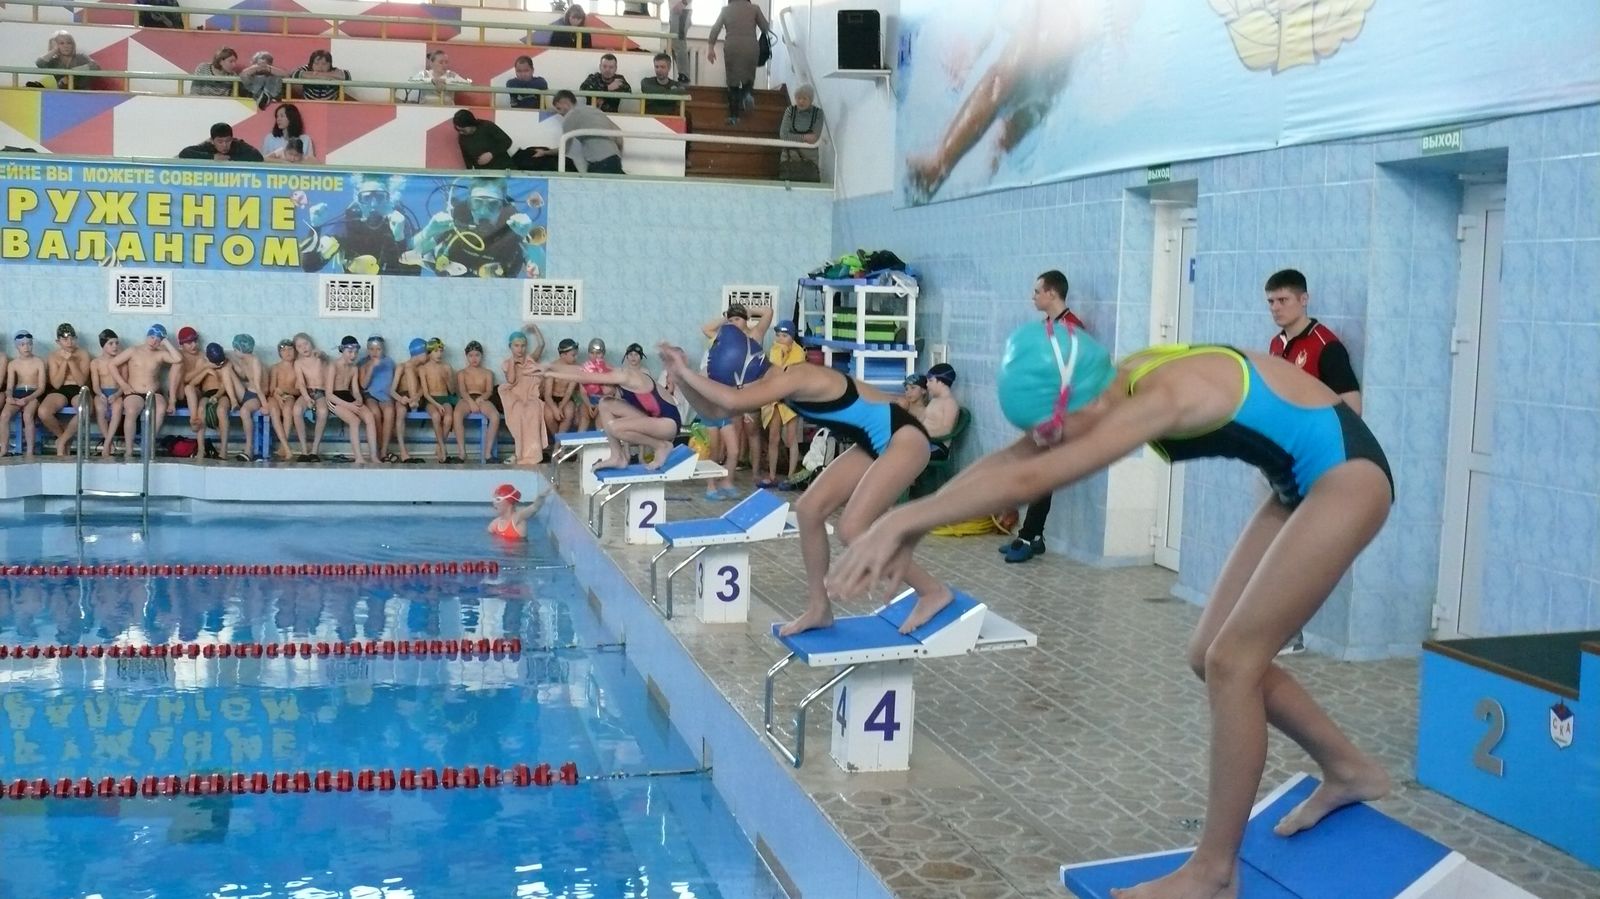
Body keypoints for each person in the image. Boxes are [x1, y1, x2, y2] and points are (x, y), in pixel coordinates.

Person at [829, 320, 1396, 899]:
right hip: (1298, 479)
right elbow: (1015, 457)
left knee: (1234, 663)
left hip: (1348, 478)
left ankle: (1215, 873)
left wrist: (902, 518)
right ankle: (1350, 771)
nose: (1047, 439)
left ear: (1079, 400)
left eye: (1053, 428)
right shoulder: (1105, 385)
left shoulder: (1160, 397)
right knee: (1210, 655)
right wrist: (916, 526)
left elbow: (1031, 474)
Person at [659, 340, 942, 634]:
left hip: (904, 439)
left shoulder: (798, 376)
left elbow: (730, 401)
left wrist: (685, 372)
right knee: (808, 509)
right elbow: (716, 412)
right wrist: (681, 378)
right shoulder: (778, 383)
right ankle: (820, 609)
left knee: (852, 528)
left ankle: (932, 591)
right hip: (875, 441)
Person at [902, 0, 1099, 205]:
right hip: (1058, 76)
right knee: (1000, 150)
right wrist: (975, 52)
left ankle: (939, 165)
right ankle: (969, 180)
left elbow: (1000, 77)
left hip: (1056, 33)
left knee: (999, 83)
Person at [1001, 269, 1087, 563]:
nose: (1033, 296)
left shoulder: (1072, 327)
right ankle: (1034, 535)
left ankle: (1029, 535)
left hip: (1059, 412)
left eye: (1037, 291)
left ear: (1052, 293)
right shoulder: (1046, 325)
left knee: (1042, 472)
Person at [539, 345, 682, 472]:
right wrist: (548, 367)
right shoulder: (611, 372)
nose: (600, 393)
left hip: (669, 424)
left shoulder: (625, 377)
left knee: (616, 427)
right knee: (605, 403)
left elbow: (583, 377)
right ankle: (617, 457)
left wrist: (549, 374)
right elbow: (580, 370)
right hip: (653, 419)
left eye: (600, 390)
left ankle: (660, 446)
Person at [700, 303, 772, 499]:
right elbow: (706, 328)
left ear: (745, 320)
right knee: (723, 444)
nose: (733, 323)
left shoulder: (754, 335)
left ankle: (750, 474)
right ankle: (715, 482)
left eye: (736, 320)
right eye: (731, 320)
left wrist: (746, 311)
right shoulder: (722, 338)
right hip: (724, 399)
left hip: (748, 396)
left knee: (750, 435)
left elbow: (768, 312)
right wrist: (727, 317)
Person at [1266, 268, 1362, 414]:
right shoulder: (1276, 343)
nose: (1275, 308)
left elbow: (1353, 409)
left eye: (1282, 300)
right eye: (1271, 301)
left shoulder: (1326, 345)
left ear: (1304, 300)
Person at [108, 324, 181, 461]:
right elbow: (112, 365)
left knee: (160, 409)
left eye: (158, 340)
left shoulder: (160, 354)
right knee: (131, 410)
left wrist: (166, 342)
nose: (154, 341)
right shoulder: (133, 350)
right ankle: (129, 450)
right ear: (147, 336)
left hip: (153, 392)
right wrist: (123, 385)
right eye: (152, 337)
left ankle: (148, 443)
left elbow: (178, 359)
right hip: (134, 391)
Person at [707, 0, 771, 125]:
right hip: (751, 46)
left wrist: (711, 48)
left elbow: (715, 29)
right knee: (749, 75)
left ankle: (734, 117)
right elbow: (765, 27)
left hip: (732, 46)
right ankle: (747, 93)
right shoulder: (755, 8)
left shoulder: (726, 10)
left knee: (732, 81)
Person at [759, 319, 805, 488]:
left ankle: (791, 477)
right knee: (773, 437)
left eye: (784, 336)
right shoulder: (774, 350)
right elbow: (775, 371)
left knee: (791, 438)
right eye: (778, 335)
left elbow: (790, 374)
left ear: (792, 337)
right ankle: (772, 476)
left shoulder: (799, 352)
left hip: (791, 398)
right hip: (774, 399)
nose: (780, 339)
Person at [37, 322, 91, 456]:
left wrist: (71, 361)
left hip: (79, 389)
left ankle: (61, 442)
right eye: (65, 339)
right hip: (61, 389)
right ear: (58, 341)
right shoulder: (53, 356)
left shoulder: (83, 354)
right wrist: (64, 362)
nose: (70, 342)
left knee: (85, 410)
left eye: (72, 338)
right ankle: (63, 438)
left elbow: (81, 381)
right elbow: (56, 384)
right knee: (43, 412)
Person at [499, 326, 548, 465]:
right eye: (516, 346)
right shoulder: (507, 363)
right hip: (515, 397)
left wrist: (535, 329)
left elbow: (542, 345)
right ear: (511, 347)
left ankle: (534, 454)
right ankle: (519, 453)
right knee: (519, 412)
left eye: (523, 346)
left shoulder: (531, 359)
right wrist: (514, 364)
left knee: (533, 410)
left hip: (530, 396)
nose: (520, 349)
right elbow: (511, 380)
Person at [183, 342, 240, 460]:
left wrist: (217, 396)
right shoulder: (203, 362)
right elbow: (192, 383)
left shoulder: (227, 363)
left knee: (222, 410)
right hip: (207, 393)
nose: (219, 364)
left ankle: (224, 450)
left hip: (223, 393)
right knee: (201, 409)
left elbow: (226, 385)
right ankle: (201, 449)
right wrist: (206, 370)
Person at [329, 335, 379, 464]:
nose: (353, 355)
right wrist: (350, 406)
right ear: (342, 351)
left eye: (355, 352)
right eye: (350, 352)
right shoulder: (333, 366)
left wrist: (358, 399)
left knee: (369, 417)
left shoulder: (354, 368)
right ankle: (359, 457)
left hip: (347, 396)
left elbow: (355, 390)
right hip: (334, 399)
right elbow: (329, 394)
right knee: (355, 421)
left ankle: (373, 456)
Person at [552, 90, 625, 175]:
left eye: (559, 108)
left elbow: (564, 149)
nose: (559, 113)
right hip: (615, 158)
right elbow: (619, 136)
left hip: (598, 162)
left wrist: (545, 152)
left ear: (565, 103)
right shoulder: (593, 109)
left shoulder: (570, 117)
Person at [455, 340, 501, 463]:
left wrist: (481, 399)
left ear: (481, 356)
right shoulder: (461, 373)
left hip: (482, 398)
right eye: (471, 355)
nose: (474, 358)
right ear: (466, 356)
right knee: (457, 414)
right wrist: (470, 402)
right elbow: (462, 391)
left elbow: (489, 391)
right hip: (466, 398)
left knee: (495, 416)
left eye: (477, 355)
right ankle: (462, 453)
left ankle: (487, 453)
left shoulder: (488, 373)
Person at [89, 329, 133, 458]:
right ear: (103, 345)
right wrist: (100, 394)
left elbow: (124, 383)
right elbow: (95, 385)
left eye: (116, 343)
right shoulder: (95, 363)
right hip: (102, 392)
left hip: (117, 392)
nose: (115, 346)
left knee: (117, 408)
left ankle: (107, 443)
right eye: (111, 343)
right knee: (99, 408)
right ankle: (109, 442)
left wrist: (116, 395)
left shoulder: (122, 362)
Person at [2, 332, 46, 457]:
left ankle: (30, 451)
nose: (26, 347)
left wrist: (27, 399)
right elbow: (10, 386)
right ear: (17, 346)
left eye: (28, 344)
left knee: (27, 415)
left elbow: (41, 388)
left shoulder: (39, 362)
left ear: (32, 345)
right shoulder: (13, 364)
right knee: (4, 415)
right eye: (22, 344)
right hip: (18, 392)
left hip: (33, 393)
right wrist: (9, 396)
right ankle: (4, 448)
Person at [292, 332, 332, 461]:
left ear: (311, 343)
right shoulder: (298, 363)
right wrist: (307, 398)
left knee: (323, 411)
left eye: (306, 344)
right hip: (307, 391)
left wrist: (322, 355)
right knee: (297, 410)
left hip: (321, 391)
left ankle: (314, 450)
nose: (304, 348)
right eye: (300, 346)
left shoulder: (319, 357)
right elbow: (302, 383)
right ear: (296, 349)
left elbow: (327, 359)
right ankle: (304, 451)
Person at [359, 336, 399, 463]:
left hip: (385, 395)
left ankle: (384, 450)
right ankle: (378, 449)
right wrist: (371, 368)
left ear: (383, 350)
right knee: (375, 413)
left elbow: (391, 384)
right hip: (369, 394)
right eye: (371, 349)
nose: (375, 352)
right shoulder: (363, 363)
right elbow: (363, 385)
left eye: (378, 349)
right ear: (367, 350)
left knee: (389, 412)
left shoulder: (389, 362)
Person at [265, 338, 306, 461]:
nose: (287, 352)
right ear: (279, 353)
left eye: (290, 349)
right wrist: (277, 396)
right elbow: (271, 389)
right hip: (274, 396)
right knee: (274, 411)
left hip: (289, 396)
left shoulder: (298, 367)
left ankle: (284, 446)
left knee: (288, 410)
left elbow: (298, 390)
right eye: (284, 350)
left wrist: (285, 390)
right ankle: (286, 448)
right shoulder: (275, 368)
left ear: (295, 351)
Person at [227, 334, 265, 462]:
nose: (234, 352)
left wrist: (265, 405)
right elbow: (243, 375)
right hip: (246, 393)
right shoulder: (244, 360)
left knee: (244, 411)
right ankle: (233, 401)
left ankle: (248, 448)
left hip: (256, 396)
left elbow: (258, 386)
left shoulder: (255, 361)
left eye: (235, 349)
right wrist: (230, 361)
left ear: (241, 349)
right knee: (226, 369)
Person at [417, 338, 456, 462]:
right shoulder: (423, 369)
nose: (439, 354)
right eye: (435, 351)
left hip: (445, 398)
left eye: (440, 351)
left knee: (449, 418)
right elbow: (426, 393)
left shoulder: (447, 367)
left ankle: (439, 446)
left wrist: (447, 379)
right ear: (429, 352)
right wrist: (436, 405)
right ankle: (443, 448)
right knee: (436, 416)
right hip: (431, 399)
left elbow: (452, 390)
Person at [777, 84, 824, 181]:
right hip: (789, 158)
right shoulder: (790, 110)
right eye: (798, 98)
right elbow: (783, 135)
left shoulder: (818, 113)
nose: (801, 101)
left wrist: (793, 136)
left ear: (810, 100)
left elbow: (814, 138)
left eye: (804, 98)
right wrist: (804, 137)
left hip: (810, 161)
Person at [543, 337, 583, 436]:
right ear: (563, 355)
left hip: (567, 398)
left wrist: (560, 407)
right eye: (573, 355)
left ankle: (557, 446)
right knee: (549, 416)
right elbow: (547, 394)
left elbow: (569, 392)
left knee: (568, 414)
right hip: (551, 398)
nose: (575, 358)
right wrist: (555, 409)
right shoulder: (553, 367)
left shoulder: (576, 368)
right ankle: (559, 442)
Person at [920, 363, 960, 460]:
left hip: (938, 447)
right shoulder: (935, 399)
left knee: (901, 455)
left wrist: (922, 433)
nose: (927, 384)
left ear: (941, 382)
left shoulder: (949, 403)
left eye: (930, 381)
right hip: (924, 442)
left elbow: (946, 430)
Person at [401, 50, 471, 105]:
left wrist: (446, 81)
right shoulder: (424, 74)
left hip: (448, 112)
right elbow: (410, 82)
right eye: (441, 62)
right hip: (424, 111)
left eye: (446, 62)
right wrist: (431, 81)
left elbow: (467, 85)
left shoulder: (452, 75)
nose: (444, 65)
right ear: (431, 63)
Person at [35, 31, 101, 90]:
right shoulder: (54, 61)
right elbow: (39, 63)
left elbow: (96, 66)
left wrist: (72, 72)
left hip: (84, 95)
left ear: (73, 45)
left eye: (69, 43)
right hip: (63, 96)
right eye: (61, 43)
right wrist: (54, 50)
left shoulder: (81, 57)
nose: (66, 46)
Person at [178, 123, 264, 162]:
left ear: (232, 139)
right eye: (220, 142)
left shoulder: (238, 144)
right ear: (212, 141)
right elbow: (184, 153)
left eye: (228, 141)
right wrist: (212, 157)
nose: (225, 145)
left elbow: (258, 157)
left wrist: (229, 158)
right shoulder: (208, 146)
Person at [668, 0, 692, 82]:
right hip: (675, 10)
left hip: (682, 10)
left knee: (679, 43)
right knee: (675, 44)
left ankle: (684, 75)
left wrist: (684, 3)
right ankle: (682, 74)